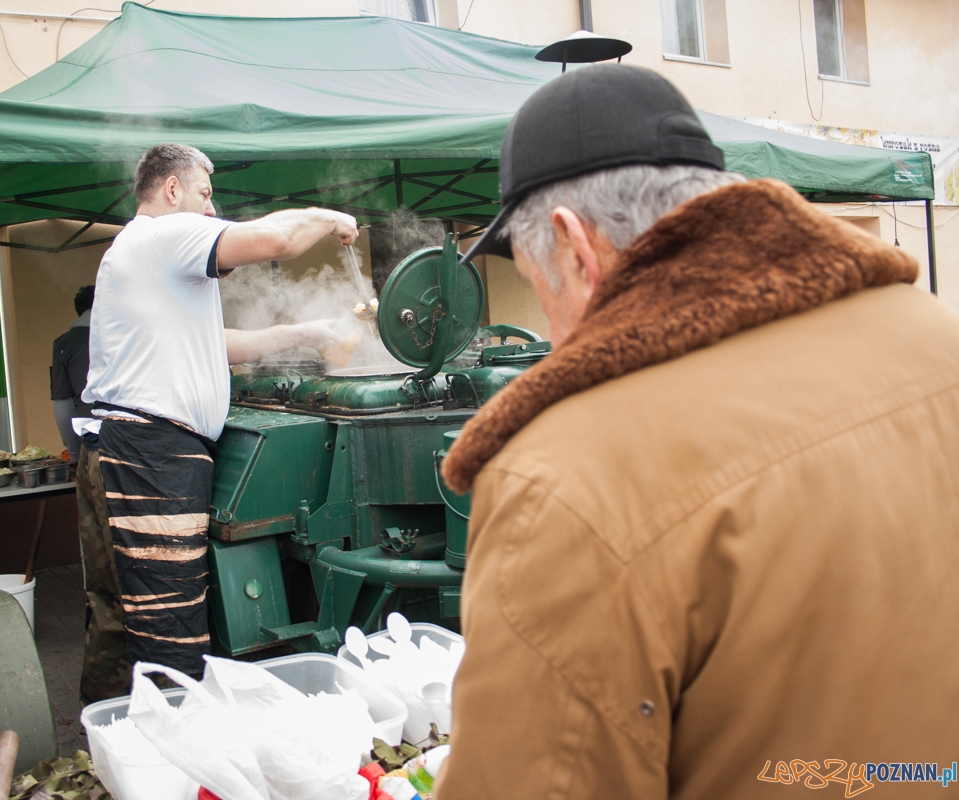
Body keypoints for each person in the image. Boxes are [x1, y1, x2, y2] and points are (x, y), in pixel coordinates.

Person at [435, 65, 959, 799]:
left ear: (576, 248)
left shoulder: (563, 475)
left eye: (539, 283)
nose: (553, 339)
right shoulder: (937, 335)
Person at [75, 142, 356, 702]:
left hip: (141, 448)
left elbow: (221, 344)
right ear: (172, 190)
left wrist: (312, 330)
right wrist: (330, 218)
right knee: (167, 626)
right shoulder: (161, 234)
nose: (212, 208)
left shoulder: (143, 255)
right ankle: (170, 751)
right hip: (151, 454)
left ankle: (121, 739)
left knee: (127, 615)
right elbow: (277, 239)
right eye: (205, 193)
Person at [51, 284, 95, 460]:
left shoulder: (65, 344)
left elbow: (63, 407)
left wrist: (75, 455)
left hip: (94, 441)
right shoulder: (130, 335)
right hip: (139, 441)